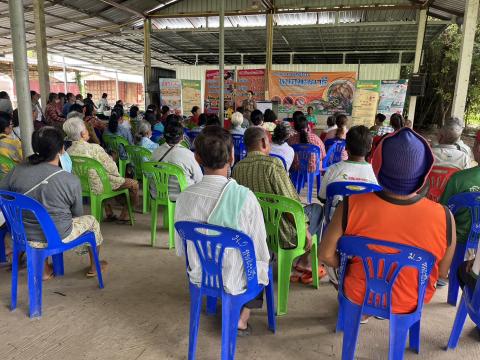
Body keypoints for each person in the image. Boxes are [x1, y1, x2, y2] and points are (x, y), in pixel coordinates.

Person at [319, 127, 456, 315]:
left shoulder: (350, 205)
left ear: (377, 165)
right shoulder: (444, 216)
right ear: (425, 171)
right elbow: (441, 274)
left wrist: (347, 267)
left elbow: (325, 255)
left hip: (359, 294)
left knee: (342, 261)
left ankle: (362, 312)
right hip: (412, 299)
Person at [175, 126, 269, 335]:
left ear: (197, 158)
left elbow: (182, 248)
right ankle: (241, 318)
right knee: (263, 261)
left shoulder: (184, 197)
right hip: (234, 280)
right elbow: (260, 249)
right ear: (232, 157)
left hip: (200, 275)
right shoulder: (245, 197)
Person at [0, 126, 107, 279]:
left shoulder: (18, 170)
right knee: (92, 222)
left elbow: (3, 194)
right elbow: (77, 215)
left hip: (22, 233)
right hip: (57, 235)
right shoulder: (69, 179)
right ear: (62, 149)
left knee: (36, 217)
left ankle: (44, 270)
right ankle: (94, 267)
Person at [233, 127, 325, 284]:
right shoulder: (273, 165)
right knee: (316, 209)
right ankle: (304, 263)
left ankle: (296, 263)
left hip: (254, 232)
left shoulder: (237, 168)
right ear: (263, 142)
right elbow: (291, 206)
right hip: (280, 235)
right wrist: (305, 230)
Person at [64, 116, 139, 223]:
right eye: (86, 129)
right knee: (133, 184)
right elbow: (112, 169)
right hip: (100, 185)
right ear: (83, 134)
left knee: (98, 176)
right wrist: (112, 162)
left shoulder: (68, 151)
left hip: (82, 186)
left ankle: (109, 212)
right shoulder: (94, 148)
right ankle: (125, 214)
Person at [441, 130, 480, 283]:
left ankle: (440, 273)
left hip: (459, 238)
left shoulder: (459, 179)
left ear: (478, 148)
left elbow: (443, 211)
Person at [318, 125, 378, 218]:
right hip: (364, 223)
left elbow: (322, 198)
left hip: (334, 221)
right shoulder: (376, 173)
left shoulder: (332, 169)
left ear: (346, 147)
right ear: (370, 147)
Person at [152, 121, 202, 201]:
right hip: (182, 196)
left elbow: (148, 174)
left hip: (157, 193)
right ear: (182, 138)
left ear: (164, 136)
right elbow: (199, 178)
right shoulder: (189, 155)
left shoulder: (155, 152)